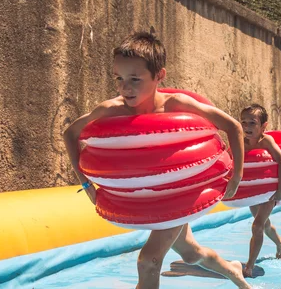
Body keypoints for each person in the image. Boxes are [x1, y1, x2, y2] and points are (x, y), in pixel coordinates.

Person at [62, 32, 250, 289]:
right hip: (151, 198)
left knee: (147, 261)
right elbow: (71, 133)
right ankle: (234, 271)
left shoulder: (178, 105)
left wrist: (236, 176)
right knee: (191, 253)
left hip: (178, 193)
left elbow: (233, 126)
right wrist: (86, 184)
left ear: (159, 76)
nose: (125, 87)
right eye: (119, 78)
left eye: (135, 79)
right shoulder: (110, 110)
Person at [239, 104, 281, 277]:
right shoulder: (241, 142)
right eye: (243, 122)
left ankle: (249, 266)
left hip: (268, 191)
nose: (247, 127)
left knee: (257, 225)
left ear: (263, 126)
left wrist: (280, 190)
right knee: (265, 225)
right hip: (253, 190)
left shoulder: (266, 142)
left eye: (252, 123)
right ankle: (280, 242)